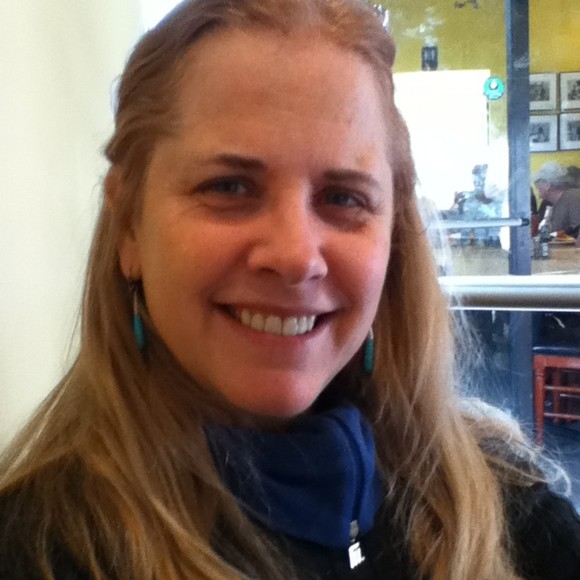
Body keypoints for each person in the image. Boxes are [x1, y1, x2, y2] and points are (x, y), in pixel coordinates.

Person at [1, 1, 580, 579]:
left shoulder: (504, 506)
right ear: (130, 224)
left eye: (343, 198)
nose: (296, 257)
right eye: (229, 187)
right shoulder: (36, 549)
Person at [533, 161, 580, 244]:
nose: (536, 185)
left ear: (548, 185)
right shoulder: (554, 202)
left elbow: (576, 229)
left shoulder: (573, 197)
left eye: (538, 181)